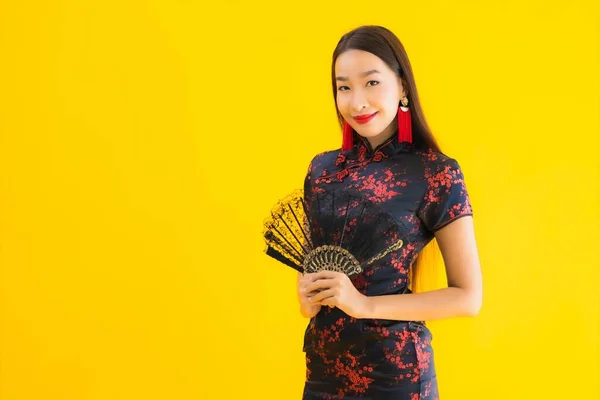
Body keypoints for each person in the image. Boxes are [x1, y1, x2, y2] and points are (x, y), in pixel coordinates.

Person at [296, 25, 482, 399]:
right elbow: (313, 288)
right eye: (344, 87)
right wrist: (307, 296)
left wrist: (363, 304)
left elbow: (468, 297)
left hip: (395, 376)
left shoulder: (435, 172)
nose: (357, 102)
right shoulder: (322, 170)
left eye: (371, 83)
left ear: (402, 86)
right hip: (322, 373)